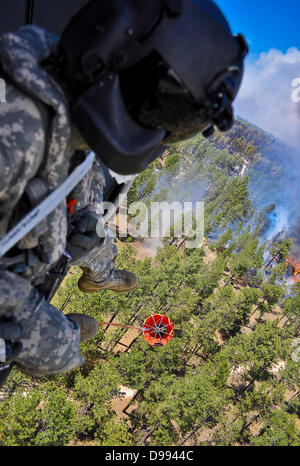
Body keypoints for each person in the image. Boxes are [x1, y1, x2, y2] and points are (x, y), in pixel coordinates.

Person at [0, 0, 248, 385]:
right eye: (163, 115)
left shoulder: (59, 104)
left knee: (92, 223)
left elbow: (76, 197)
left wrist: (71, 240)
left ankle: (101, 273)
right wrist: (39, 337)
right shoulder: (13, 137)